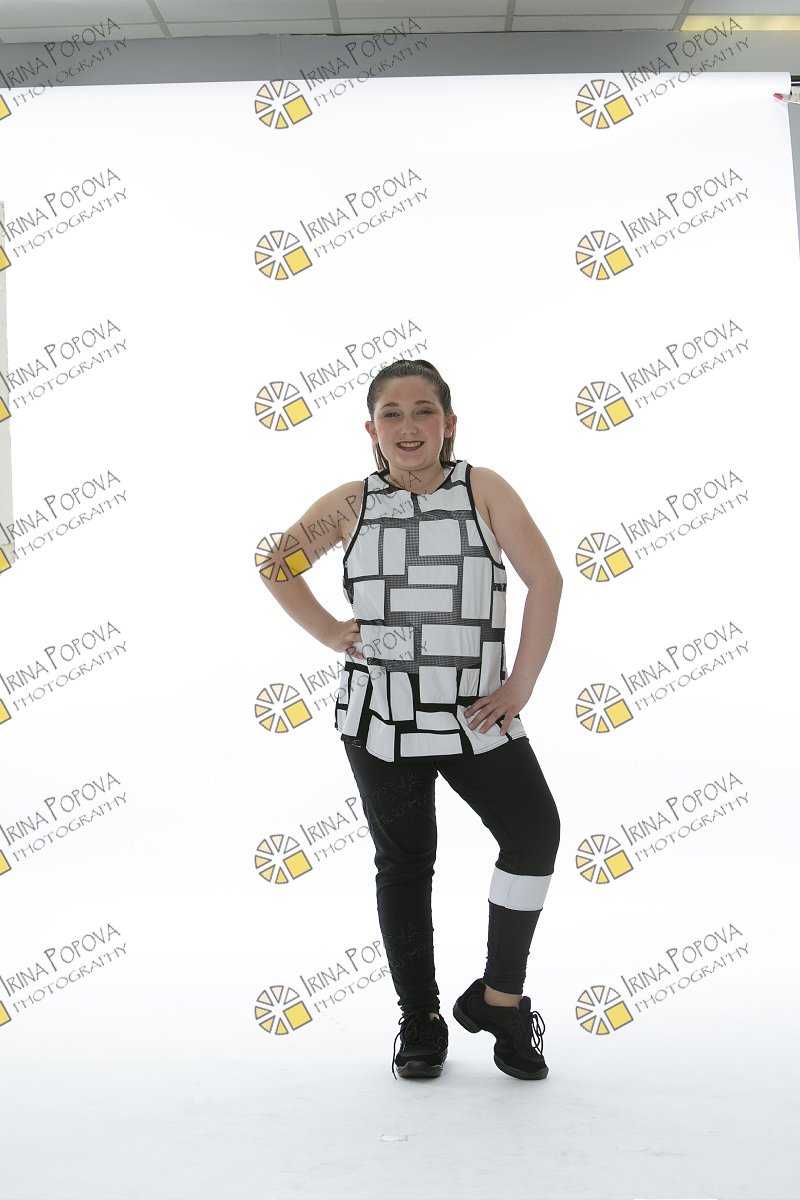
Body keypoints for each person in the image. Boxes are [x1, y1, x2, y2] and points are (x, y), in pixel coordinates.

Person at [260, 359, 562, 1082]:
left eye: (423, 411)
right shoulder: (350, 503)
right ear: (371, 430)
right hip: (383, 717)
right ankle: (421, 1017)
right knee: (405, 862)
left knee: (533, 835)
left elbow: (546, 580)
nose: (408, 426)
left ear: (448, 423)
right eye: (390, 414)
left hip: (474, 710)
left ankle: (500, 999)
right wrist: (330, 632)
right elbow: (278, 564)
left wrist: (520, 685)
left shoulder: (483, 489)